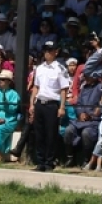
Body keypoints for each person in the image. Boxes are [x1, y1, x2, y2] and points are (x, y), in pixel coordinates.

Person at [29, 40, 70, 172]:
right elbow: (36, 87)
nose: (47, 53)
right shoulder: (39, 68)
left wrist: (62, 107)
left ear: (56, 52)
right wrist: (32, 104)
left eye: (50, 50)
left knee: (51, 134)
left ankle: (49, 162)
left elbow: (64, 89)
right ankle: (40, 161)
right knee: (39, 133)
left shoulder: (60, 69)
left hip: (52, 104)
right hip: (40, 103)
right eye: (45, 50)